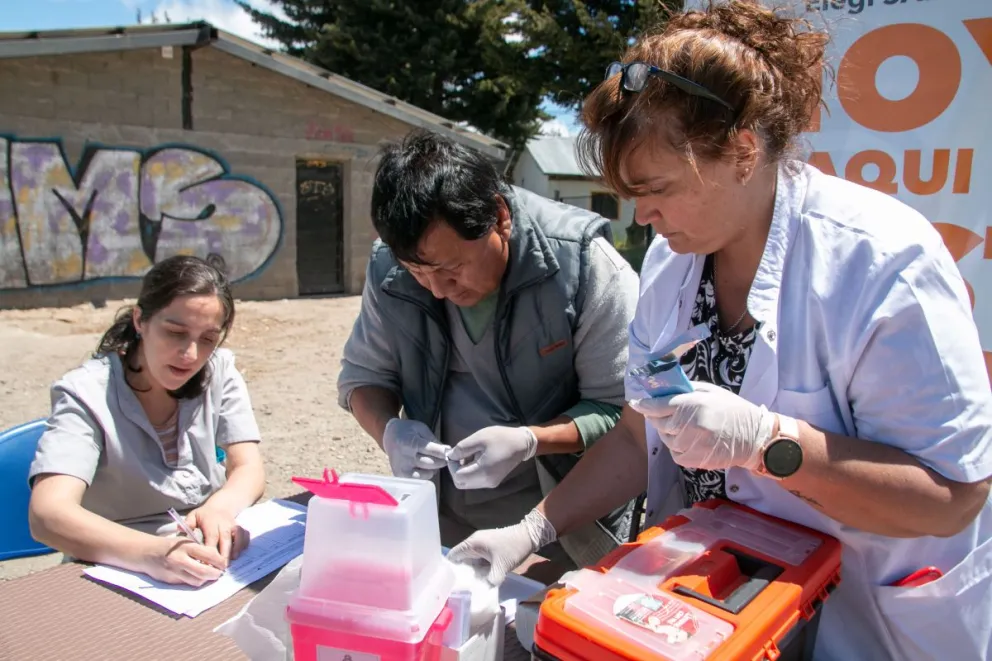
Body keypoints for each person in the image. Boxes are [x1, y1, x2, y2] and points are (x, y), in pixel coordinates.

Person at [448, 3, 992, 660]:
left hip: (862, 621)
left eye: (658, 188)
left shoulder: (883, 261)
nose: (642, 215)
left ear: (743, 149)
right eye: (630, 193)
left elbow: (953, 498)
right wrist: (532, 527)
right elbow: (638, 429)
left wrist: (771, 444)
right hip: (714, 610)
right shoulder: (671, 262)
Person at [337, 129, 641, 568]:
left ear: (499, 217)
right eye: (418, 273)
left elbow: (624, 412)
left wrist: (531, 441)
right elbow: (363, 378)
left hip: (562, 525)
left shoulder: (582, 265)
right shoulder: (390, 266)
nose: (438, 290)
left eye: (453, 268)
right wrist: (389, 430)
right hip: (441, 515)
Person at [28, 255, 266, 588]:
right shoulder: (87, 393)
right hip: (114, 567)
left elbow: (248, 467)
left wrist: (220, 509)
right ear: (140, 320)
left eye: (208, 339)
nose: (191, 355)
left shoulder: (220, 371)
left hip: (201, 559)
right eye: (175, 332)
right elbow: (47, 515)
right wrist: (151, 554)